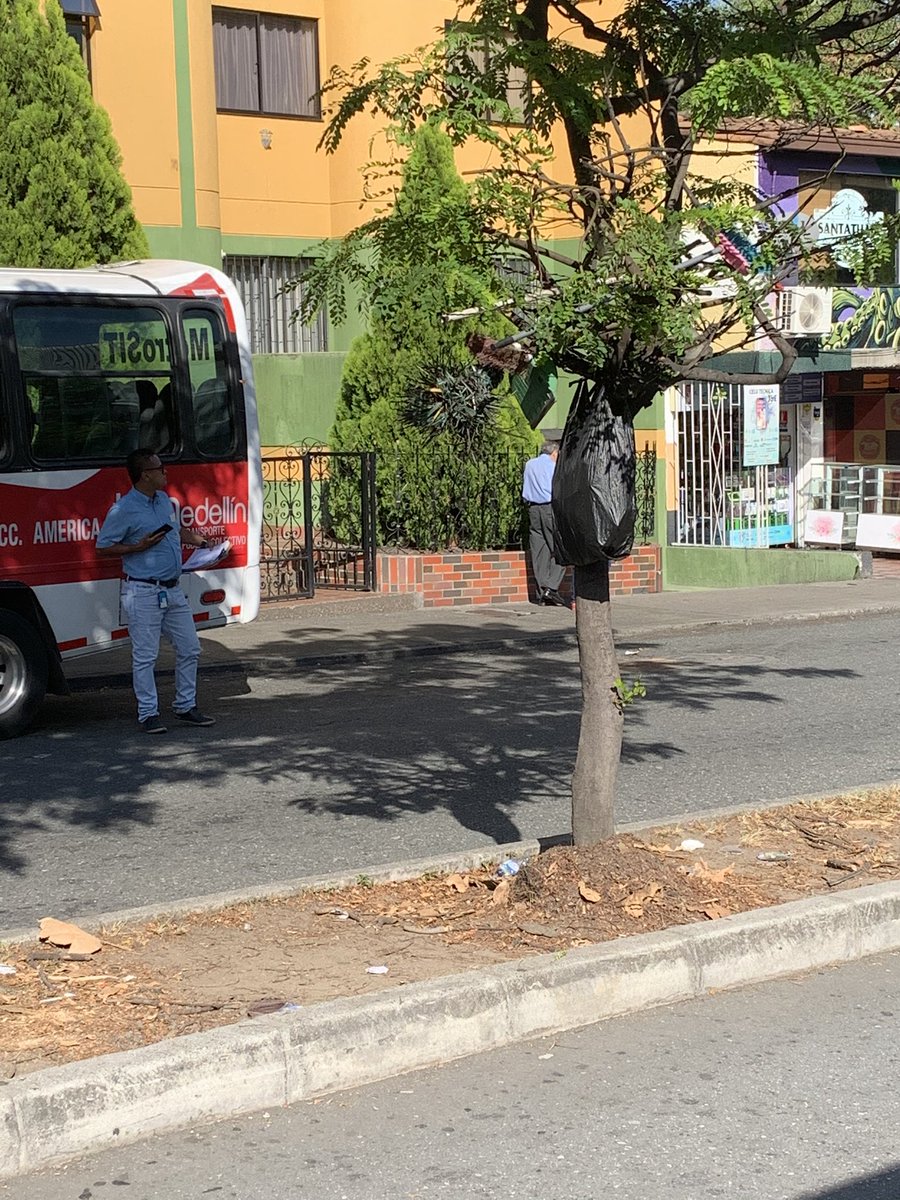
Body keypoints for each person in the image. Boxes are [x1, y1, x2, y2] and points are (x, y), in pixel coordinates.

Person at [96, 449, 220, 734]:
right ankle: (148, 714)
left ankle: (185, 706)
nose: (166, 472)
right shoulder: (123, 509)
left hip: (172, 590)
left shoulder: (163, 500)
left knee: (190, 648)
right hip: (143, 591)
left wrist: (204, 545)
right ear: (145, 475)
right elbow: (103, 547)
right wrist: (136, 547)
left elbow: (175, 530)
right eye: (160, 468)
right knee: (145, 656)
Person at [522, 439, 571, 608]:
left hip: (533, 509)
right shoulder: (554, 466)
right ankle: (551, 588)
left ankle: (542, 593)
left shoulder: (530, 464)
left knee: (539, 552)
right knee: (561, 548)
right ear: (554, 453)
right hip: (550, 508)